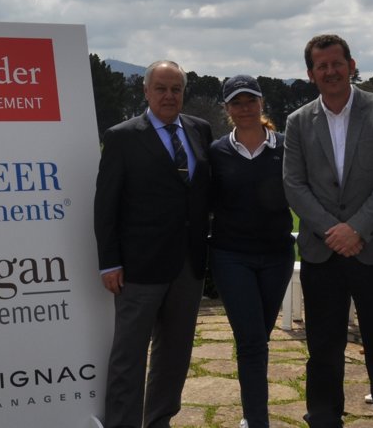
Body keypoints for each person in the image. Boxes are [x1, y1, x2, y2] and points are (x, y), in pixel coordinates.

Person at [282, 34, 373, 428]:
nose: (330, 71)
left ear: (351, 66)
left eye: (336, 63)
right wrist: (333, 231)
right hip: (323, 253)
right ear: (310, 74)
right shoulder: (298, 121)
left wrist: (356, 229)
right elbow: (294, 185)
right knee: (323, 347)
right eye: (321, 66)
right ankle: (324, 418)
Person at [93, 60, 213, 428]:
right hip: (138, 267)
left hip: (188, 265)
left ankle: (160, 420)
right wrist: (109, 262)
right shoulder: (122, 137)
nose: (169, 95)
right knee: (129, 356)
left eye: (176, 89)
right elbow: (106, 206)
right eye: (161, 88)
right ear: (146, 91)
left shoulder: (200, 130)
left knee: (175, 354)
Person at [208, 75, 295, 428]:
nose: (244, 108)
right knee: (251, 341)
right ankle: (257, 420)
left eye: (250, 101)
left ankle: (253, 416)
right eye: (236, 103)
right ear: (227, 109)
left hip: (276, 256)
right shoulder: (217, 152)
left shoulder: (286, 147)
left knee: (260, 337)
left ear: (261, 103)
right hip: (231, 256)